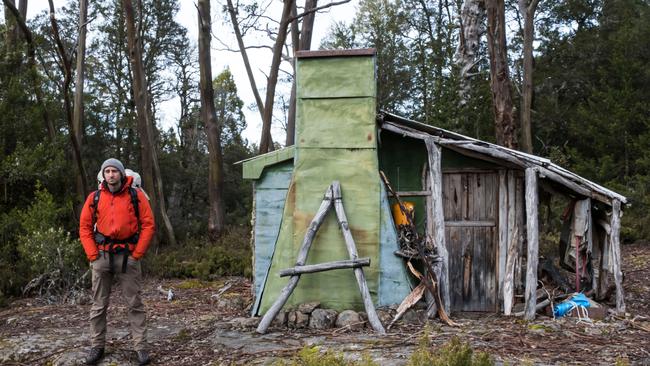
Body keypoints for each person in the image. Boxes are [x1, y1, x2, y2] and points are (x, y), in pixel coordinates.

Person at [79, 158, 155, 365]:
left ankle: (141, 348)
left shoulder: (135, 195)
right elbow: (85, 227)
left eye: (114, 171)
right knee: (98, 305)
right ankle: (97, 346)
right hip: (101, 257)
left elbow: (148, 225)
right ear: (103, 175)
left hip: (128, 257)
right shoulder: (94, 197)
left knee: (135, 304)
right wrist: (92, 255)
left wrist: (137, 254)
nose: (111, 175)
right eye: (108, 171)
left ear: (122, 174)